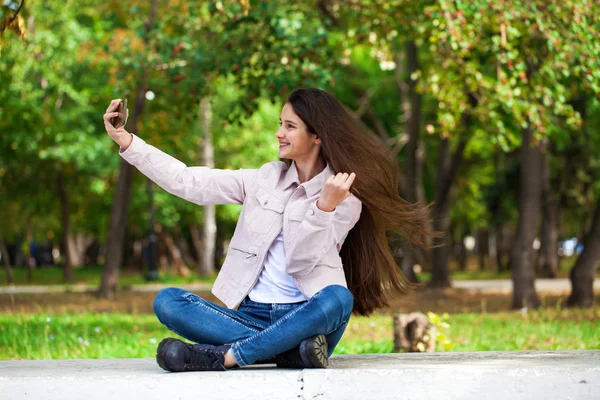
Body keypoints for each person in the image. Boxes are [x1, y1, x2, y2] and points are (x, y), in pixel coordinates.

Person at [103, 88, 433, 372]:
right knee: (168, 301)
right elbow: (190, 181)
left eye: (290, 126)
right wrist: (127, 141)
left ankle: (230, 356)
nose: (279, 133)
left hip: (306, 319)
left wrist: (323, 208)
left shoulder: (343, 197)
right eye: (280, 124)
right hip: (251, 318)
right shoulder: (264, 178)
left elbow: (302, 261)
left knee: (338, 298)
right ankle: (287, 353)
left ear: (317, 135)